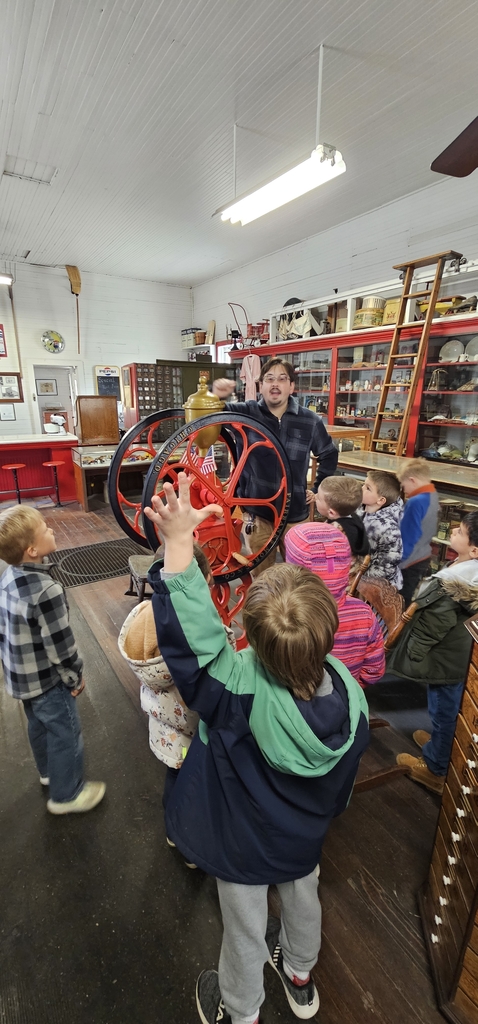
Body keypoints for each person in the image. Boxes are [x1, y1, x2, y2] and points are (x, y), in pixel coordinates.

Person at [143, 472, 369, 1024]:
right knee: (303, 899)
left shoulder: (235, 688)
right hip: (303, 838)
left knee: (244, 926)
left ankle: (240, 1009)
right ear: (328, 630)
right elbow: (340, 791)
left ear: (249, 637)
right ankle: (299, 977)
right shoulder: (353, 696)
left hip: (241, 843)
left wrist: (177, 545)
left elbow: (198, 649)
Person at [118, 542, 235, 829]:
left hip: (163, 728)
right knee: (194, 782)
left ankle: (172, 823)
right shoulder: (201, 639)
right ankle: (187, 832)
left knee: (174, 777)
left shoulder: (144, 615)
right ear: (204, 581)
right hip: (195, 731)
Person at [0, 506, 105, 814]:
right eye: (46, 529)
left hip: (20, 676)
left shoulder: (8, 576)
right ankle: (67, 795)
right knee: (65, 730)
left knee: (37, 724)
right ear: (32, 550)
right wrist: (75, 675)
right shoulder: (47, 590)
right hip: (47, 680)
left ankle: (47, 772)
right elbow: (60, 645)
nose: (52, 531)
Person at [213, 357, 338, 574]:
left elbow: (328, 454)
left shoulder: (310, 420)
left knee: (297, 574)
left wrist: (318, 490)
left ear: (291, 386)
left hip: (295, 513)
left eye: (282, 379)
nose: (275, 384)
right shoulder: (245, 413)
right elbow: (207, 414)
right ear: (261, 385)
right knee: (260, 574)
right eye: (269, 379)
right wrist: (215, 394)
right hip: (257, 513)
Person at [389, 512, 478, 794]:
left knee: (444, 712)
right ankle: (443, 746)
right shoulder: (469, 570)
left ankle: (436, 768)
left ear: (474, 550)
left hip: (447, 661)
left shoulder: (455, 582)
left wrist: (414, 654)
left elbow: (433, 624)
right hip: (461, 657)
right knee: (450, 709)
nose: (452, 531)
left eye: (460, 531)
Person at [285, 522, 385, 686]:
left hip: (287, 703)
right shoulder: (364, 614)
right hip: (343, 702)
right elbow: (374, 670)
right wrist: (349, 690)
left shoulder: (279, 612)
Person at [397, 458, 440, 606]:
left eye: (404, 485)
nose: (404, 490)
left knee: (400, 598)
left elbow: (409, 536)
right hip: (423, 556)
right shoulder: (433, 495)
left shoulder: (415, 502)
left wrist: (398, 562)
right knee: (408, 594)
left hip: (409, 560)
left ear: (412, 480)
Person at [358, 470, 403, 589]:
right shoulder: (359, 508)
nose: (361, 489)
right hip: (356, 575)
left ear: (381, 500)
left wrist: (360, 579)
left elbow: (387, 565)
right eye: (363, 484)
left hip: (376, 588)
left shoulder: (389, 528)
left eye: (368, 488)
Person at [314, 475, 369, 557]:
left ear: (331, 513)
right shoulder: (353, 515)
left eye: (318, 498)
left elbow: (322, 553)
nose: (315, 497)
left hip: (340, 566)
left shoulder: (334, 530)